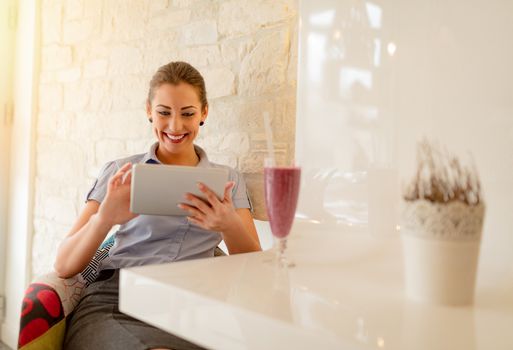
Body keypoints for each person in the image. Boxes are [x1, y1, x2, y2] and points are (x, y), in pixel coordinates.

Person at [54, 61, 262, 350]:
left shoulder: (227, 180)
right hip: (119, 300)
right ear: (149, 112)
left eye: (187, 113)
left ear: (203, 113)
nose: (175, 126)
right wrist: (104, 219)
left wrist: (228, 225)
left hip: (195, 308)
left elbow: (256, 268)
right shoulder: (120, 171)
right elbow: (64, 265)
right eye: (164, 113)